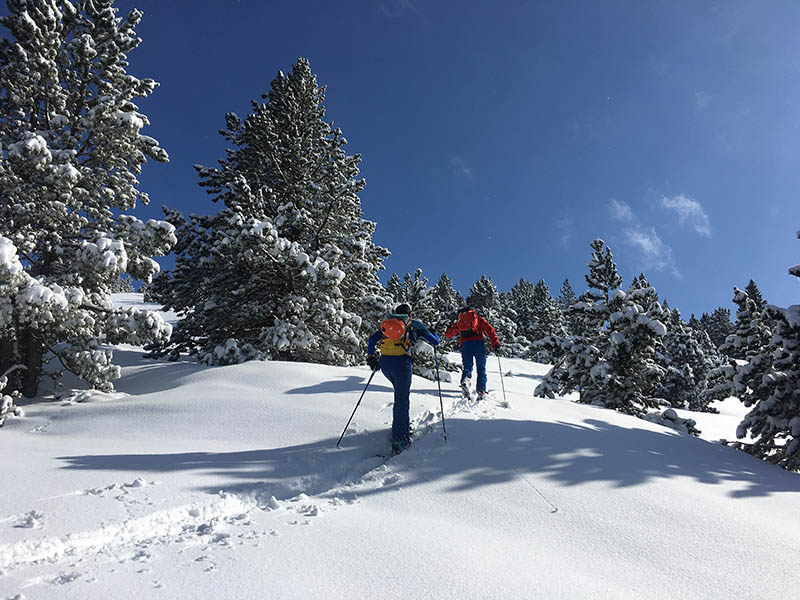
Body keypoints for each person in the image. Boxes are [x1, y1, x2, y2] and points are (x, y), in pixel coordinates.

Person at [366, 303, 440, 455]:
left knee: (399, 394)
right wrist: (433, 333)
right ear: (410, 315)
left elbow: (372, 340)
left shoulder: (387, 324)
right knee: (402, 398)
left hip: (386, 364)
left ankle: (402, 426)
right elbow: (435, 341)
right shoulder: (414, 324)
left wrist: (371, 357)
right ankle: (400, 438)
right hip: (402, 364)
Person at [445, 307, 499, 400]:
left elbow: (448, 335)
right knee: (481, 368)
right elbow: (490, 329)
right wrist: (495, 343)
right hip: (479, 344)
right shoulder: (478, 319)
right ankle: (481, 390)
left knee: (467, 367)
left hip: (466, 345)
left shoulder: (459, 323)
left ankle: (466, 380)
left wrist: (449, 328)